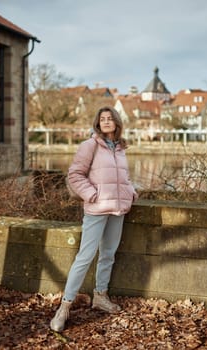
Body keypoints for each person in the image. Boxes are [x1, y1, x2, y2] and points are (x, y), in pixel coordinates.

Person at [50, 106, 138, 332]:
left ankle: (100, 296)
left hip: (118, 210)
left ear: (117, 123)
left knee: (108, 255)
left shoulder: (120, 148)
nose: (107, 121)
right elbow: (75, 175)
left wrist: (131, 192)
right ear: (97, 124)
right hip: (96, 210)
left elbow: (124, 177)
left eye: (110, 118)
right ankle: (64, 307)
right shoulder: (89, 145)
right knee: (85, 256)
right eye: (102, 119)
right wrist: (92, 195)